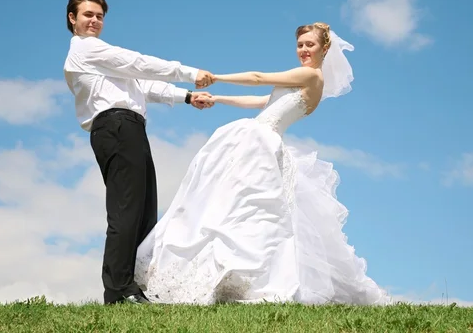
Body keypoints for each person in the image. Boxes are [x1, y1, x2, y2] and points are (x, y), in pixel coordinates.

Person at [134, 22, 391, 305]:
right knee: (236, 206)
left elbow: (258, 78)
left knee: (243, 206)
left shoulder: (311, 76)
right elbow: (261, 101)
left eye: (310, 44)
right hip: (257, 138)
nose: (304, 50)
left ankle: (243, 276)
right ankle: (226, 274)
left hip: (261, 142)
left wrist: (215, 78)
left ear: (325, 48)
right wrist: (217, 98)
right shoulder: (303, 80)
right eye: (300, 45)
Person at [62, 0, 216, 305]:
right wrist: (189, 73)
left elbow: (144, 84)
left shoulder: (102, 61)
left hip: (131, 128)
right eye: (88, 14)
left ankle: (137, 287)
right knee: (126, 212)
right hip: (115, 127)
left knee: (146, 213)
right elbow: (139, 63)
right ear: (72, 19)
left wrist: (186, 96)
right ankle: (118, 291)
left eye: (99, 16)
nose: (94, 20)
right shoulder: (86, 50)